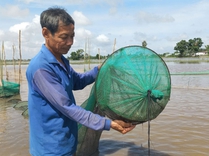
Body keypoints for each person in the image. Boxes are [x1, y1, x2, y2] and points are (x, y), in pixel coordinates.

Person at [26, 6, 135, 156]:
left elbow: (77, 81)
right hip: (50, 148)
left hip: (66, 140)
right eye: (64, 37)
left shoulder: (61, 61)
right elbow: (67, 107)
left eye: (72, 36)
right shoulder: (41, 68)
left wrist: (98, 69)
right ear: (45, 33)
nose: (70, 42)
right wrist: (108, 123)